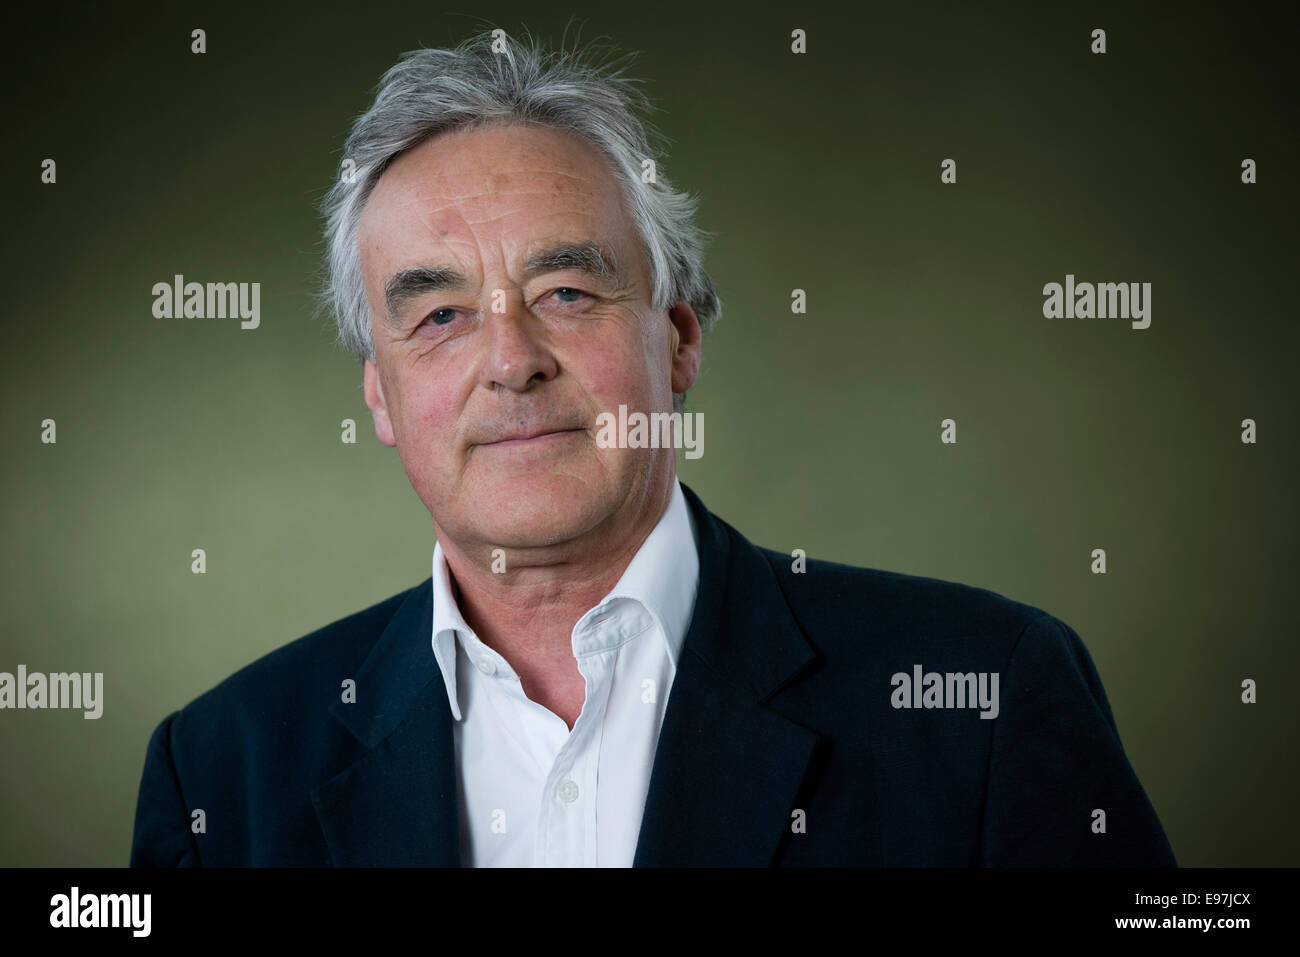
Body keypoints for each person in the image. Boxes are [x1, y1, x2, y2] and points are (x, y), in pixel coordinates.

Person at [130, 28, 1176, 867]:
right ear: (382, 395)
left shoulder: (984, 694)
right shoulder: (220, 770)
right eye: (439, 315)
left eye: (567, 292)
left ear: (677, 338)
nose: (510, 362)